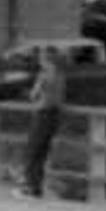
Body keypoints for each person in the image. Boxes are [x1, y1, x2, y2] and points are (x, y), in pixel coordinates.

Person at [16, 43, 69, 197]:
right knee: (43, 151)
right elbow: (60, 98)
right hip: (55, 117)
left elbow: (34, 95)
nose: (39, 60)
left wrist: (30, 94)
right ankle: (36, 187)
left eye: (41, 57)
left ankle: (30, 187)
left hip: (42, 114)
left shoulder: (44, 75)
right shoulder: (60, 76)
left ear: (46, 60)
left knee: (32, 152)